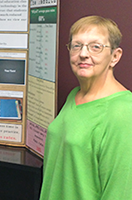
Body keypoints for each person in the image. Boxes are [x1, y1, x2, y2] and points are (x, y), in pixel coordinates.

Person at [40, 15, 132, 200]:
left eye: (95, 47)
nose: (83, 53)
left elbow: (119, 193)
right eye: (76, 45)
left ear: (115, 56)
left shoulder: (123, 112)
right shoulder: (75, 95)